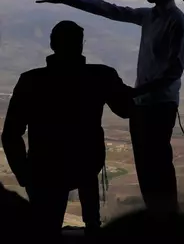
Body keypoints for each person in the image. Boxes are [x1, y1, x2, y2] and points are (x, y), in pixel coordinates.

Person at [31, 0, 184, 213]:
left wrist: (137, 93)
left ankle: (167, 223)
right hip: (143, 105)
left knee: (157, 168)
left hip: (159, 106)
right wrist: (64, 0)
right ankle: (159, 220)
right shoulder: (151, 17)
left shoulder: (177, 22)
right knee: (147, 171)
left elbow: (174, 71)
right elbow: (110, 10)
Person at [1, 21, 134, 236]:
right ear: (81, 45)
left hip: (44, 169)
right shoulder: (100, 76)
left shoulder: (31, 81)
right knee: (92, 228)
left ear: (53, 44)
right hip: (86, 164)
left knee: (45, 231)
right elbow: (126, 109)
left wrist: (24, 174)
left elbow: (11, 134)